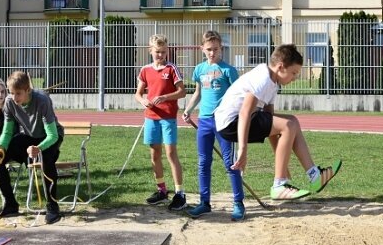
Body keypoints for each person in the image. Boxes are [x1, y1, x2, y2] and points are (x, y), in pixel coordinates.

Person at [214, 44, 342, 201]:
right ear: (281, 67)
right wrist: (242, 150)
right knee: (289, 124)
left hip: (239, 121)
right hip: (230, 123)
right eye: (293, 73)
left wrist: (282, 164)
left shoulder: (273, 83)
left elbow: (271, 125)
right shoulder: (262, 79)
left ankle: (314, 175)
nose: (294, 78)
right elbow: (245, 112)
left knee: (292, 121)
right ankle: (279, 185)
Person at [182, 30, 245, 220]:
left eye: (215, 49)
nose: (212, 53)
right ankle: (204, 202)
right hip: (204, 121)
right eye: (208, 49)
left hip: (224, 122)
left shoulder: (228, 70)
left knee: (230, 163)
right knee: (203, 162)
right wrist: (189, 109)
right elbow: (198, 93)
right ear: (202, 49)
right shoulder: (200, 69)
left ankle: (238, 203)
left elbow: (239, 95)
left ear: (221, 48)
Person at [0, 71, 64, 224]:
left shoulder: (42, 100)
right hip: (29, 136)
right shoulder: (9, 103)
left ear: (28, 90)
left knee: (46, 158)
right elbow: (7, 132)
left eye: (18, 94)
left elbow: (52, 135)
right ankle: (10, 204)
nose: (14, 98)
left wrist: (38, 148)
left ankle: (52, 206)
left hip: (50, 137)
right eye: (11, 93)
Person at [134, 34, 187, 211]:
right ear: (150, 51)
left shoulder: (171, 68)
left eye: (164, 52)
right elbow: (138, 94)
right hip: (151, 117)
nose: (161, 55)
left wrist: (165, 97)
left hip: (168, 118)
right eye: (157, 52)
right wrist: (143, 101)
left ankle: (180, 193)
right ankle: (162, 190)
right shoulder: (145, 70)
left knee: (171, 153)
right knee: (154, 154)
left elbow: (182, 92)